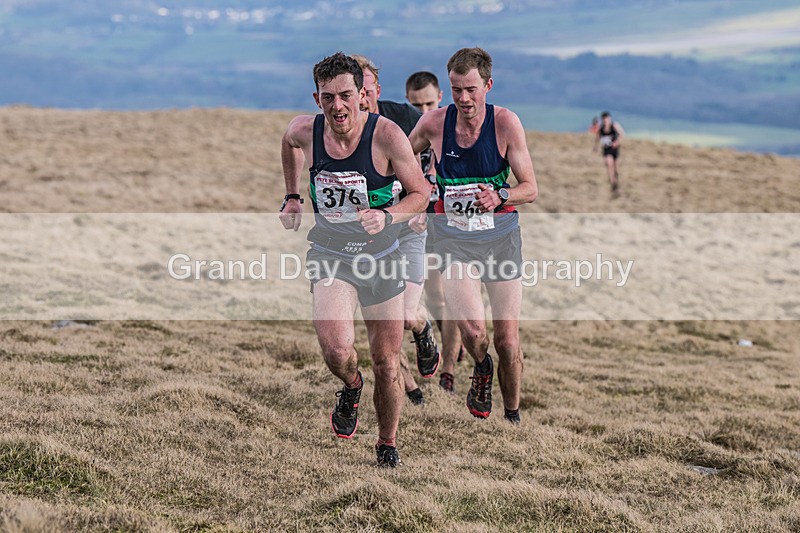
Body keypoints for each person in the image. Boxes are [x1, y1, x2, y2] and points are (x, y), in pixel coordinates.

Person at [280, 52, 428, 467]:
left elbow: (420, 195)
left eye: (346, 95)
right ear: (317, 97)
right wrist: (293, 196)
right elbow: (288, 143)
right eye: (328, 98)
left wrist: (387, 215)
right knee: (336, 349)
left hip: (383, 256)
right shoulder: (305, 131)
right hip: (330, 254)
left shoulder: (387, 136)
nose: (337, 107)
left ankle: (387, 443)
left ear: (363, 95)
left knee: (386, 361)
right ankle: (350, 384)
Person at [409, 47, 538, 424]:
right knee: (472, 328)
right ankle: (481, 369)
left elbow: (530, 188)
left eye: (471, 89)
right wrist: (411, 198)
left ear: (488, 85)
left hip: (500, 238)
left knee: (508, 341)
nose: (464, 99)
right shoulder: (434, 124)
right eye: (456, 90)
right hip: (454, 239)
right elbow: (397, 155)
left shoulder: (506, 124)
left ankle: (512, 414)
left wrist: (501, 195)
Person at [351, 55, 441, 407]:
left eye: (366, 90)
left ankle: (422, 329)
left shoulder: (403, 118)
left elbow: (437, 157)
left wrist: (426, 203)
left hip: (408, 226)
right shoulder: (341, 130)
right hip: (369, 237)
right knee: (382, 325)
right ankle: (410, 389)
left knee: (405, 315)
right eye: (352, 92)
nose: (360, 99)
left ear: (376, 89)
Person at [405, 71, 465, 395]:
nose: (424, 110)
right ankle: (444, 348)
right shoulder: (407, 134)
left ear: (440, 96)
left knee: (449, 296)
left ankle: (450, 372)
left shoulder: (454, 130)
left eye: (429, 102)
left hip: (452, 222)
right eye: (416, 104)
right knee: (433, 298)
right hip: (420, 222)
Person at [593, 111, 625, 192]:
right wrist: (595, 147)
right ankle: (612, 183)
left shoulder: (614, 125)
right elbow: (597, 138)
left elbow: (622, 134)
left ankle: (616, 179)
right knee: (609, 164)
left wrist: (616, 142)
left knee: (616, 168)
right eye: (604, 119)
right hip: (606, 149)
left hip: (615, 149)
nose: (605, 121)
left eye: (607, 119)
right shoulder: (601, 128)